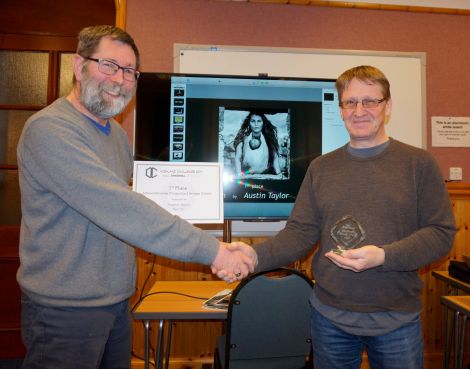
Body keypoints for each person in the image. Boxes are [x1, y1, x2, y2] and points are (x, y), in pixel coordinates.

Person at [16, 25, 256, 369]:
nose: (120, 79)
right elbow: (119, 207)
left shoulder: (113, 133)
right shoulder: (50, 130)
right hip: (65, 309)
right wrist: (214, 250)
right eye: (109, 65)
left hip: (113, 300)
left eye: (130, 71)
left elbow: (131, 204)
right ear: (78, 65)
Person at [218, 65, 456, 369]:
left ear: (388, 105)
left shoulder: (418, 164)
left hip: (397, 319)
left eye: (370, 101)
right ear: (341, 108)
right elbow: (300, 233)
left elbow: (440, 234)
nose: (359, 111)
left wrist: (383, 256)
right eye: (350, 102)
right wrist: (253, 254)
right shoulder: (321, 168)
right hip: (330, 318)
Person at [233, 110, 281, 176]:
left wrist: (279, 174)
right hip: (247, 176)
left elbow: (275, 158)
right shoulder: (243, 139)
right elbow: (237, 158)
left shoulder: (269, 140)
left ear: (263, 123)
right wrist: (238, 174)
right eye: (253, 121)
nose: (256, 124)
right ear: (249, 123)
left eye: (259, 121)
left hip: (265, 176)